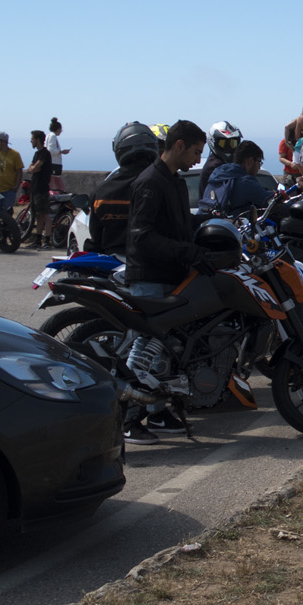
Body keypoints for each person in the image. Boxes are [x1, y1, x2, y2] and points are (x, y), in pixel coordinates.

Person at [124, 119, 209, 444]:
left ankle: (157, 411)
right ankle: (129, 419)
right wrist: (185, 251)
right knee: (145, 350)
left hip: (172, 276)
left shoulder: (172, 181)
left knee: (167, 351)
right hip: (150, 278)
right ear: (178, 145)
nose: (198, 160)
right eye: (195, 152)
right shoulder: (149, 182)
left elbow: (180, 222)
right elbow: (141, 237)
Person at [87, 122, 160, 256]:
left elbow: (95, 237)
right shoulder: (163, 184)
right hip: (155, 264)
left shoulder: (101, 191)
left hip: (113, 265)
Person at [202, 140, 273, 215]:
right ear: (250, 161)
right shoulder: (245, 182)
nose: (259, 167)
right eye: (259, 162)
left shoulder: (219, 174)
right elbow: (267, 200)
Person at [24, 130, 55, 249]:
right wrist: (33, 168)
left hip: (41, 189)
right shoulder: (37, 154)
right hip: (35, 188)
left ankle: (47, 240)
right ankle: (38, 240)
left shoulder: (44, 154)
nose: (31, 141)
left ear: (37, 140)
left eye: (32, 139)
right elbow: (30, 169)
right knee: (38, 215)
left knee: (45, 215)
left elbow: (35, 168)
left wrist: (33, 168)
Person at [199, 121, 244, 193]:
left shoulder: (223, 164)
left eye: (233, 143)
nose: (228, 148)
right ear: (213, 142)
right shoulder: (216, 167)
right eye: (223, 143)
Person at [46, 118, 70, 191]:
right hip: (53, 165)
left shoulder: (49, 135)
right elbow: (50, 150)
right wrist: (61, 152)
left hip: (51, 164)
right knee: (59, 186)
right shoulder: (53, 136)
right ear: (58, 129)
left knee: (55, 184)